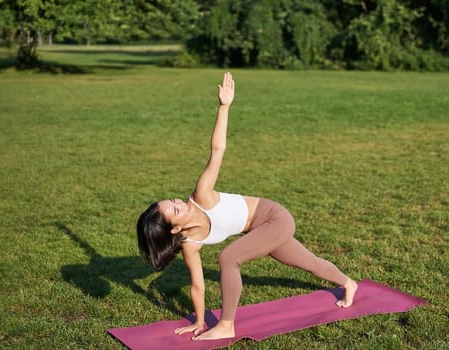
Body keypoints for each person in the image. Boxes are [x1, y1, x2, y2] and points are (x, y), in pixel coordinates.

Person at [137, 72, 358, 341]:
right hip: (260, 231)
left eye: (172, 201)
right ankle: (349, 283)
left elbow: (217, 150)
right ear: (174, 230)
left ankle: (227, 325)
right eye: (174, 210)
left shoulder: (202, 195)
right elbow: (197, 286)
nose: (178, 203)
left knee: (229, 258)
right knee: (309, 263)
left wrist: (224, 106)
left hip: (274, 218)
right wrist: (197, 320)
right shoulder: (189, 244)